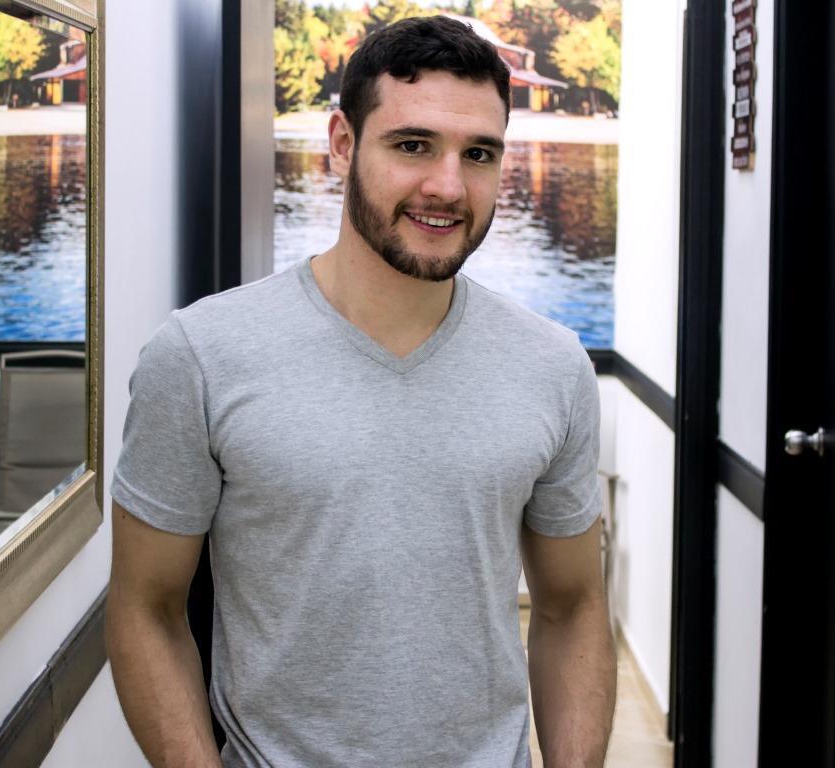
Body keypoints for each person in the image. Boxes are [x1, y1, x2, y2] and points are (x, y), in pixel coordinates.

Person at [107, 15, 616, 768]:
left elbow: (572, 607)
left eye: (478, 153)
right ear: (342, 143)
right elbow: (145, 609)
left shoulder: (551, 365)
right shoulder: (202, 354)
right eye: (412, 145)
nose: (447, 186)